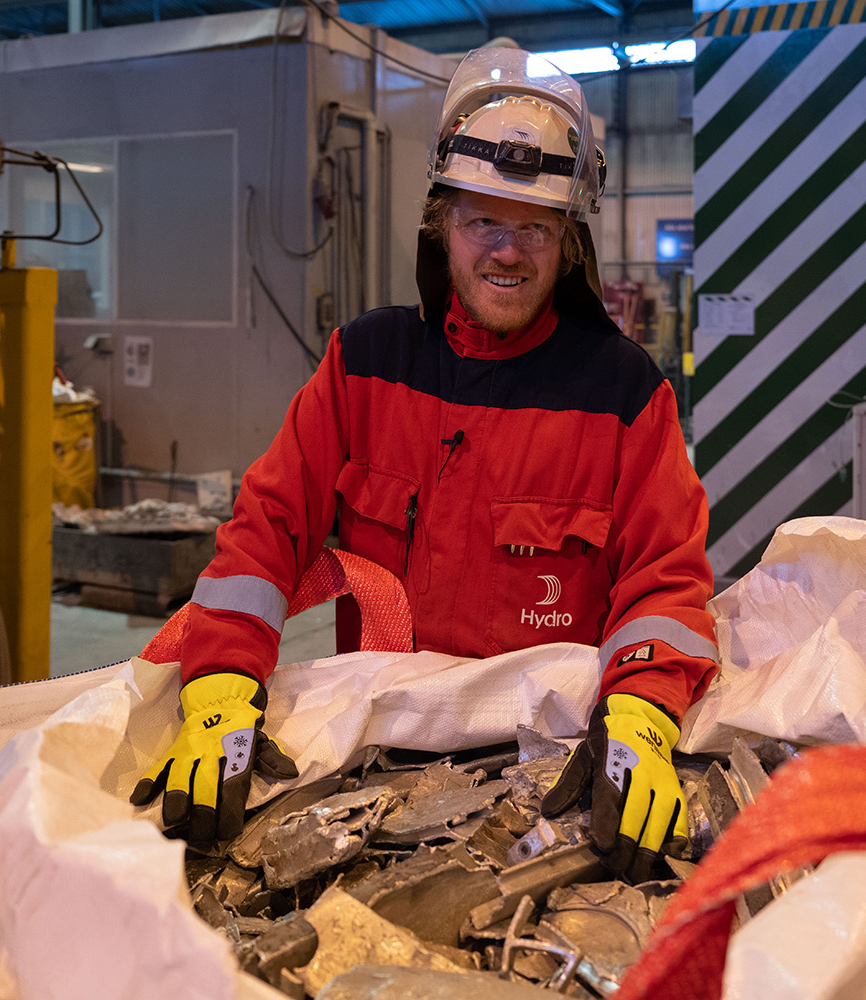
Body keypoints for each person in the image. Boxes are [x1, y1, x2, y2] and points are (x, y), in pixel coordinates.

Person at [130, 47, 718, 883]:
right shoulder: (364, 365)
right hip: (374, 772)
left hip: (552, 777)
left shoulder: (625, 396)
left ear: (568, 242)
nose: (507, 252)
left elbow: (664, 583)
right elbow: (266, 531)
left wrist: (643, 717)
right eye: (484, 221)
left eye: (535, 228)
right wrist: (223, 681)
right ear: (443, 226)